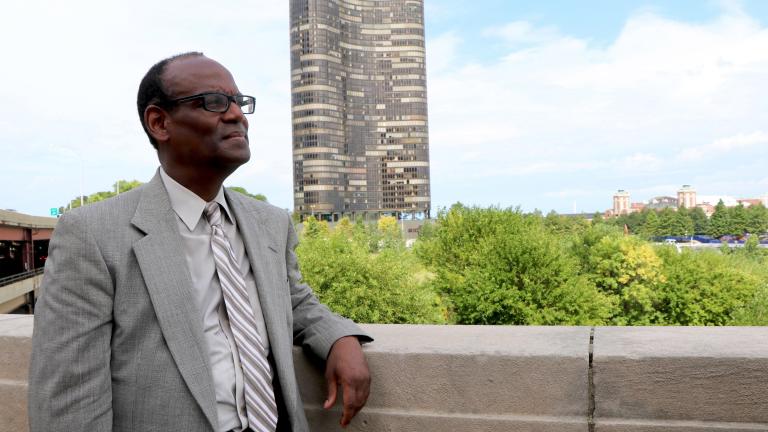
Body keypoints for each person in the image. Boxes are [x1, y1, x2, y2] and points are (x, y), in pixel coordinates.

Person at [29, 52, 372, 432]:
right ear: (160, 122)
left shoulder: (270, 222)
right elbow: (70, 402)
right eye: (213, 102)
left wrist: (340, 338)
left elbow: (292, 298)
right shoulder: (92, 233)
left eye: (239, 102)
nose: (236, 115)